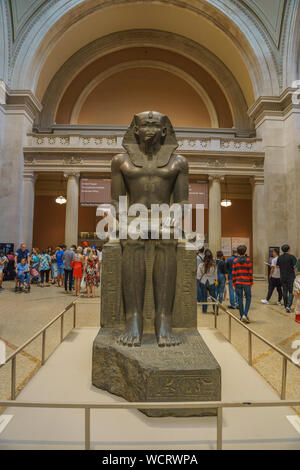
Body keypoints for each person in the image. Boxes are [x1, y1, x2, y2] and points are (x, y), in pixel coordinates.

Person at [232, 245, 253, 323]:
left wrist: (234, 283)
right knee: (248, 298)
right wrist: (251, 283)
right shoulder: (248, 261)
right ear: (245, 251)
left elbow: (233, 273)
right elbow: (250, 273)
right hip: (246, 282)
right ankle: (245, 314)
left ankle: (241, 316)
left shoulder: (235, 261)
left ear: (237, 252)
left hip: (238, 282)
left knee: (240, 298)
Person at [277, 244, 297, 313]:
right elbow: (295, 267)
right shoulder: (292, 257)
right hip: (290, 277)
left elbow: (278, 266)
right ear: (289, 249)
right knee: (291, 292)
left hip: (282, 276)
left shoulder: (279, 257)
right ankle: (288, 306)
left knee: (284, 291)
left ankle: (286, 306)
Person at [197, 249, 217, 313]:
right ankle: (215, 310)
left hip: (203, 282)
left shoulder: (201, 265)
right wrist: (215, 281)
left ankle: (204, 310)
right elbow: (215, 275)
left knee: (204, 296)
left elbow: (198, 275)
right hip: (211, 282)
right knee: (213, 296)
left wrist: (199, 279)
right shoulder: (214, 265)